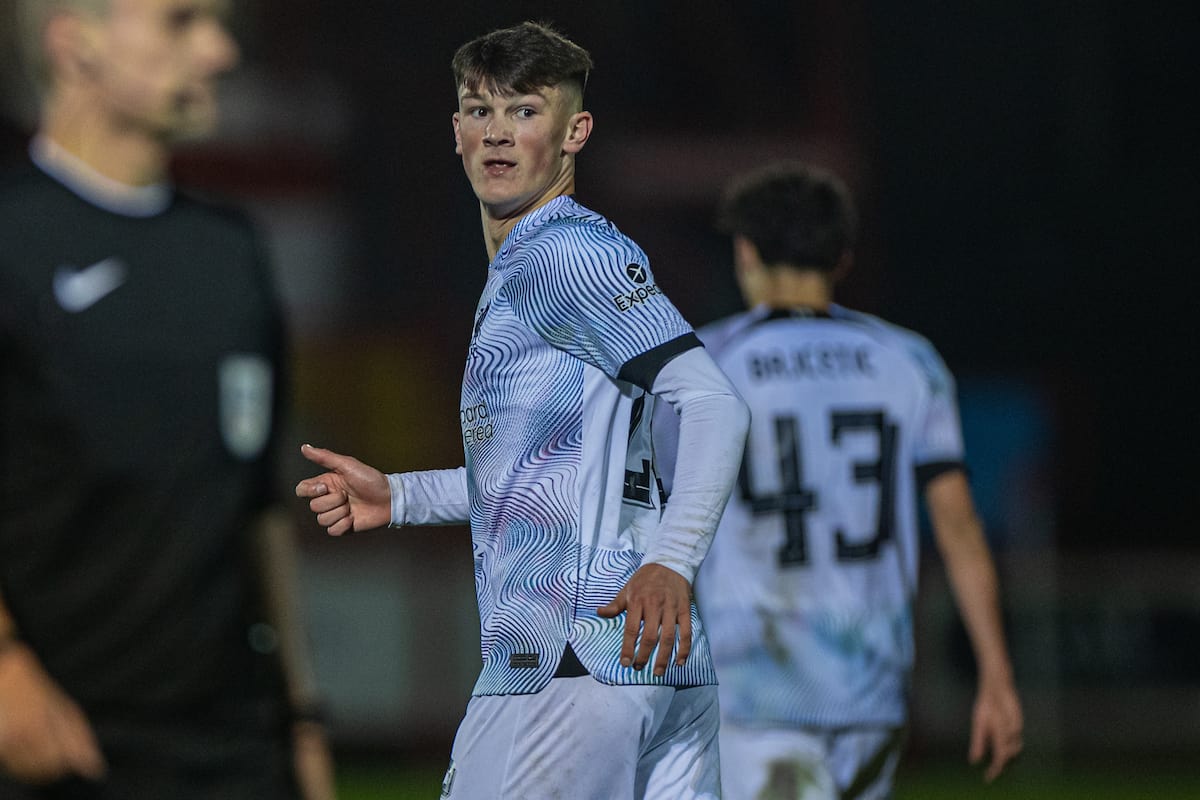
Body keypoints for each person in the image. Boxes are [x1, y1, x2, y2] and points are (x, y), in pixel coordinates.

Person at [295, 20, 749, 800]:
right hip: (652, 663)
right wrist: (401, 497)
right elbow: (548, 476)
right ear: (456, 131)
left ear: (576, 131)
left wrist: (673, 562)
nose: (498, 134)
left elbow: (713, 403)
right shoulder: (536, 266)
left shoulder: (562, 253)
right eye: (480, 111)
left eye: (525, 111)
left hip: (566, 664)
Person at [0, 1, 335, 798]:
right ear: (74, 42)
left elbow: (256, 510)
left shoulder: (233, 252)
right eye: (181, 22)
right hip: (61, 747)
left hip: (238, 751)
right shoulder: (9, 243)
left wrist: (303, 721)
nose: (219, 53)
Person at [654, 161, 1024, 799]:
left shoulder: (705, 364)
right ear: (843, 258)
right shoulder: (909, 360)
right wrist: (995, 672)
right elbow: (958, 524)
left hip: (759, 687)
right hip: (874, 687)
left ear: (745, 253)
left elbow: (654, 514)